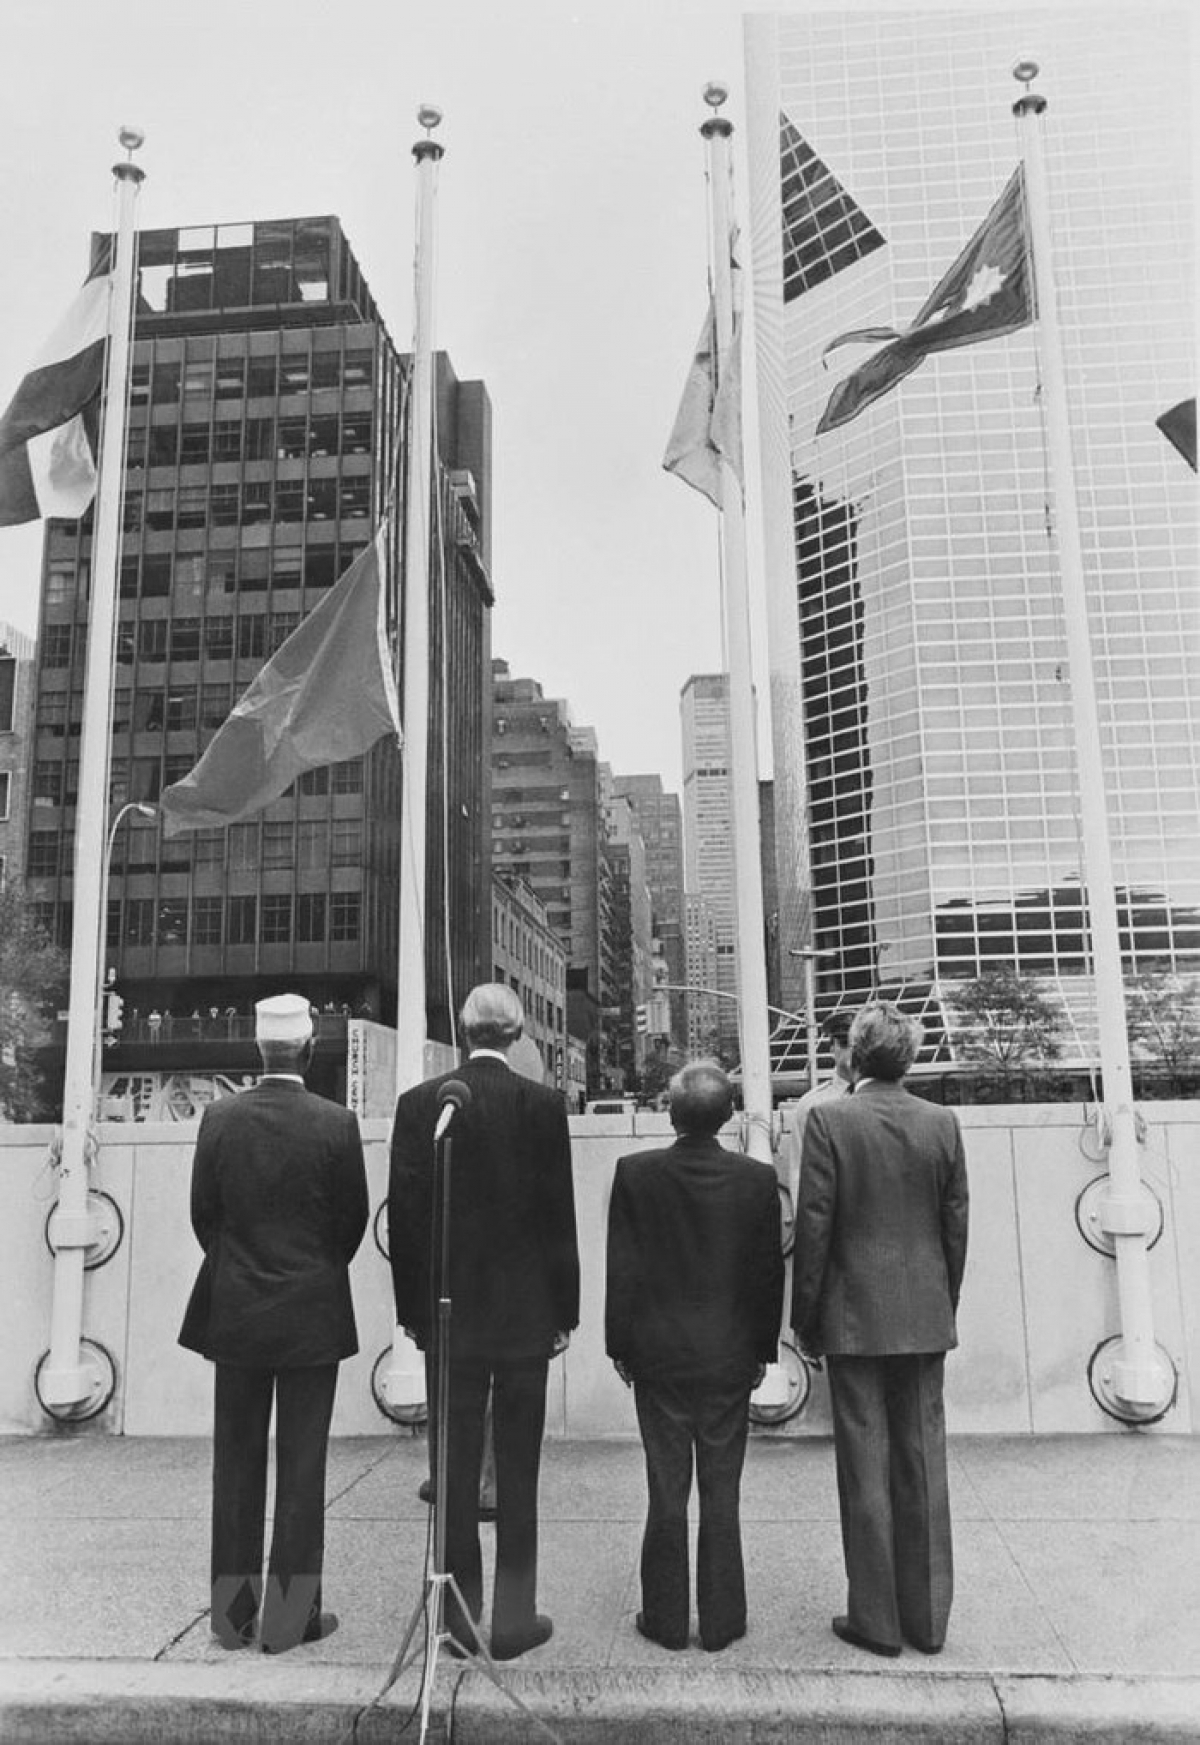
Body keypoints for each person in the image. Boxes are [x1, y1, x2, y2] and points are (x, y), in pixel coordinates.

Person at [388, 982, 579, 1661]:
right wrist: (566, 1312)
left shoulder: (422, 1105)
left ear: (462, 1031)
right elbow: (560, 1217)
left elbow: (405, 1221)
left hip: (450, 1320)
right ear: (519, 1033)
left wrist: (412, 1314)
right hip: (526, 1317)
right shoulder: (542, 1105)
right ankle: (515, 1616)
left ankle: (460, 1618)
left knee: (456, 1468)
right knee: (519, 1471)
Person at [178, 992, 369, 1654]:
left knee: (234, 1465)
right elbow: (350, 1224)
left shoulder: (220, 1118)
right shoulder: (337, 1123)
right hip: (312, 1312)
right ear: (310, 1050)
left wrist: (241, 1270)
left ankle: (232, 1619)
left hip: (235, 1313)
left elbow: (205, 1215)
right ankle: (290, 1621)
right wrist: (311, 1271)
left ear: (258, 1050)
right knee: (301, 1466)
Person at [792, 1001, 969, 1659]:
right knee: (924, 1461)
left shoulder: (830, 1121)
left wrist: (804, 1320)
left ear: (855, 1056)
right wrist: (942, 1302)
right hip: (925, 1313)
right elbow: (957, 1226)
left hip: (852, 1315)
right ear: (910, 1057)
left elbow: (814, 1226)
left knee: (864, 1465)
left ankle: (876, 1618)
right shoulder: (942, 1122)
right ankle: (927, 1619)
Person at [605, 1060, 784, 1653]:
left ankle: (664, 1619)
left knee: (666, 1488)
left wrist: (619, 1346)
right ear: (728, 1115)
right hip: (729, 1355)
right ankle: (723, 1620)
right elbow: (766, 1275)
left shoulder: (635, 1173)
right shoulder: (757, 1182)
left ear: (672, 1113)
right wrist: (763, 1349)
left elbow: (622, 1270)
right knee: (722, 1488)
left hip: (657, 1357)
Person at [779, 1009, 856, 1219]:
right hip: (831, 1215)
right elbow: (799, 1172)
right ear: (832, 1048)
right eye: (844, 1044)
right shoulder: (811, 1104)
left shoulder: (880, 1099)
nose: (851, 1052)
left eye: (858, 1045)